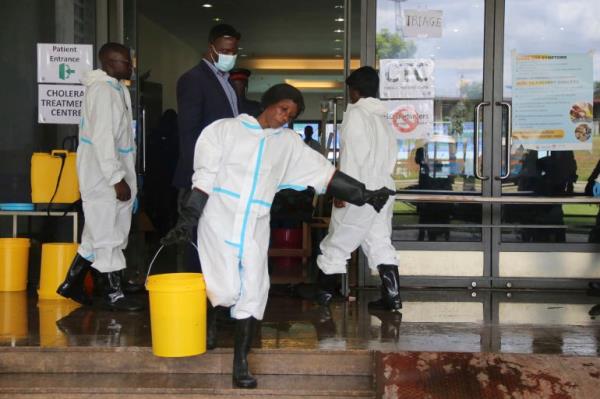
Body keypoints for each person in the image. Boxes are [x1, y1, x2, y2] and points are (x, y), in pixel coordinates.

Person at [161, 83, 394, 389]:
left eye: (292, 115)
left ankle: (240, 364)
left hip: (255, 224)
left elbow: (324, 173)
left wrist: (364, 194)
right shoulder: (225, 131)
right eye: (283, 109)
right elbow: (203, 178)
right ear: (268, 104)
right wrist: (188, 218)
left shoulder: (287, 144)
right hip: (218, 220)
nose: (285, 117)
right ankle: (211, 317)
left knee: (254, 290)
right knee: (227, 289)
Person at [56, 42, 143, 311]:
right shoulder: (103, 91)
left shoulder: (116, 89)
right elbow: (103, 138)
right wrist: (116, 178)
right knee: (108, 233)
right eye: (124, 62)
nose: (129, 66)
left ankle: (72, 283)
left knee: (97, 233)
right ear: (108, 63)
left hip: (114, 169)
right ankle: (112, 294)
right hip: (104, 175)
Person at [317, 66, 401, 312]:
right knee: (379, 240)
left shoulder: (355, 114)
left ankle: (324, 295)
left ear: (354, 91)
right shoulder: (382, 117)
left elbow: (353, 156)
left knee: (337, 242)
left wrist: (344, 191)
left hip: (361, 191)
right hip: (384, 188)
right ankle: (392, 297)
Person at [172, 23, 241, 202]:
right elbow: (189, 133)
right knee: (196, 229)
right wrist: (201, 178)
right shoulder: (193, 80)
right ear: (211, 48)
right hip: (201, 178)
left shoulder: (228, 82)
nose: (229, 56)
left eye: (233, 52)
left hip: (224, 174)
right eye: (224, 51)